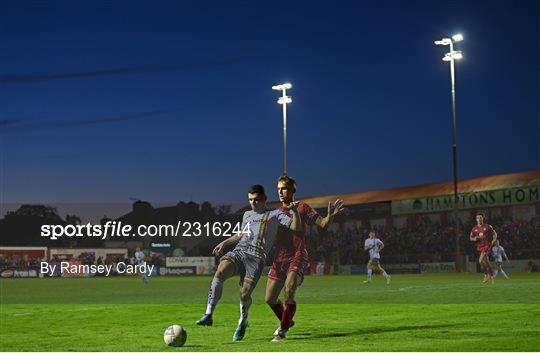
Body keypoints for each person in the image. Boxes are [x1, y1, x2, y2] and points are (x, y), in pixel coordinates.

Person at [196, 184, 301, 342]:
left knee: (244, 294)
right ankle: (208, 314)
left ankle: (243, 321)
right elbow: (241, 234)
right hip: (240, 252)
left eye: (257, 200)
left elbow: (295, 227)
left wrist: (293, 212)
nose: (254, 203)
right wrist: (224, 242)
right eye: (251, 200)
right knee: (220, 271)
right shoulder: (247, 214)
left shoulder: (275, 214)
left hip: (256, 258)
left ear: (265, 199)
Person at [265, 175, 345, 342]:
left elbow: (323, 223)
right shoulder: (276, 213)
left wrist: (330, 216)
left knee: (289, 290)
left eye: (284, 188)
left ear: (293, 189)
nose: (280, 192)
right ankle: (288, 320)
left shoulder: (302, 208)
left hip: (297, 255)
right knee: (270, 299)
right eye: (278, 189)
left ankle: (283, 331)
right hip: (279, 258)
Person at [469, 212, 497, 284]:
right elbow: (470, 238)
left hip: (487, 245)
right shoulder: (474, 228)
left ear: (483, 218)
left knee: (480, 260)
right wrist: (474, 239)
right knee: (486, 261)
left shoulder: (487, 226)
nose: (479, 219)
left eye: (480, 218)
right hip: (480, 246)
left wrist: (493, 240)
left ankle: (486, 274)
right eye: (478, 218)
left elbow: (494, 234)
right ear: (476, 219)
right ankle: (492, 276)